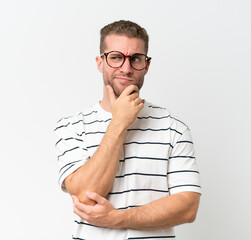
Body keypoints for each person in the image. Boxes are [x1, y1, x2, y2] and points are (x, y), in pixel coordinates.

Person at [54, 20, 201, 239]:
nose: (126, 68)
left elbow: (188, 207)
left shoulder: (174, 128)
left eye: (135, 59)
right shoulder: (71, 127)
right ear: (99, 62)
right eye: (115, 57)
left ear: (146, 65)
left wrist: (117, 218)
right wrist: (119, 122)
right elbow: (85, 196)